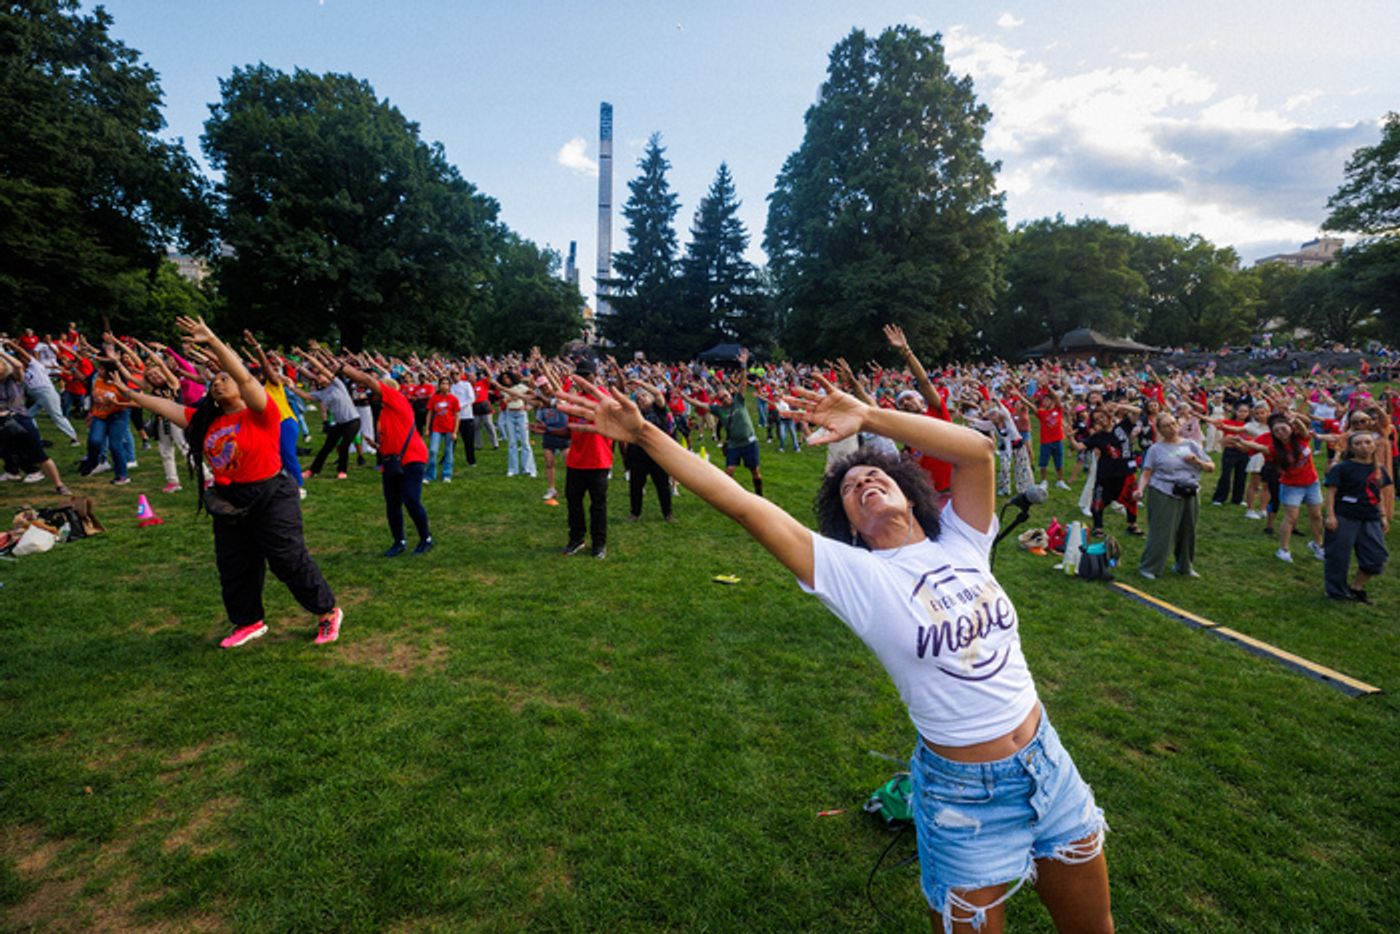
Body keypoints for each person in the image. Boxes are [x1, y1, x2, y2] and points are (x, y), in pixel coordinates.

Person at [557, 365, 1112, 934]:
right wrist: (647, 434)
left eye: (877, 476)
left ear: (908, 489)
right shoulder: (856, 576)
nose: (865, 483)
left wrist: (869, 416)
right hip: (961, 798)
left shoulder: (963, 539)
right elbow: (745, 506)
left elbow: (977, 452)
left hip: (1049, 766)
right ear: (846, 522)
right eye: (851, 488)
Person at [115, 316, 341, 648]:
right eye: (215, 380)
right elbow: (166, 406)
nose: (218, 383)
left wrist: (212, 341)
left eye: (225, 378)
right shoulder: (204, 420)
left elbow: (246, 378)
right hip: (230, 498)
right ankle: (249, 621)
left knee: (287, 559)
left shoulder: (261, 412)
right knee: (235, 564)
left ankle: (327, 612)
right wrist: (130, 394)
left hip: (272, 493)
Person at [338, 359, 434, 557]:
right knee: (392, 504)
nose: (372, 393)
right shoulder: (384, 412)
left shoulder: (397, 399)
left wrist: (343, 368)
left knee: (411, 499)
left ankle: (426, 538)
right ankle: (399, 541)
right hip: (392, 461)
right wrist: (378, 447)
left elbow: (366, 378)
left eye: (376, 390)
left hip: (412, 457)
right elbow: (394, 435)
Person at [1134, 412, 1214, 579]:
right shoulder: (1155, 449)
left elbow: (1211, 467)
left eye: (1173, 424)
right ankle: (1149, 567)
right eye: (1166, 426)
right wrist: (1140, 489)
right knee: (1162, 530)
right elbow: (1147, 472)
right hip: (1164, 491)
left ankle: (1184, 565)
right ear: (1160, 430)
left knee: (1188, 530)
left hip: (1189, 491)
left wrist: (1197, 462)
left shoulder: (1191, 445)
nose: (1171, 428)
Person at [1237, 412, 1325, 564]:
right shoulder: (1274, 448)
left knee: (1316, 515)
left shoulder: (1302, 438)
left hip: (1311, 483)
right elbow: (1258, 446)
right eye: (1276, 431)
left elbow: (1303, 428)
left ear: (1291, 428)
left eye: (1283, 428)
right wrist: (1241, 441)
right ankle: (1283, 550)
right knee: (1291, 517)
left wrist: (1295, 418)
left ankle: (1318, 545)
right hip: (1291, 486)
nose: (1280, 433)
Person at [1322, 431, 1391, 602]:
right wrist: (1330, 515)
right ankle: (1336, 591)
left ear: (1374, 445)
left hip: (1370, 516)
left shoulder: (1379, 469)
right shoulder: (1342, 468)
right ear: (1352, 448)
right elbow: (1331, 492)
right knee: (1338, 556)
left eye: (1367, 442)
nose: (1364, 446)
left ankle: (1356, 587)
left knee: (1376, 556)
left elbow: (1378, 494)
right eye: (1358, 443)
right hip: (1345, 515)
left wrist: (1382, 515)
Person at [425, 376, 460, 483]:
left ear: (449, 386)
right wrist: (427, 428)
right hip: (436, 428)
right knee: (433, 450)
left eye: (446, 383)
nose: (444, 386)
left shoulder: (454, 399)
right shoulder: (434, 398)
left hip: (449, 428)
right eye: (442, 383)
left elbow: (457, 415)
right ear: (439, 385)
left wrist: (455, 431)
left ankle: (447, 474)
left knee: (448, 452)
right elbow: (430, 413)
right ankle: (430, 475)